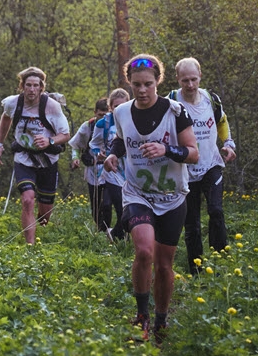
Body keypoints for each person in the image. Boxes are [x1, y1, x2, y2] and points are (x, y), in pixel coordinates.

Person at [103, 54, 198, 342]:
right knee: (144, 251)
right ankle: (141, 317)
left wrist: (166, 150)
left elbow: (193, 153)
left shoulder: (175, 111)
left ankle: (161, 319)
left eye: (147, 84)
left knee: (164, 263)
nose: (142, 91)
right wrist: (112, 154)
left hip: (172, 196)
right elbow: (121, 139)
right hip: (137, 193)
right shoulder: (120, 113)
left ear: (158, 81)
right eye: (136, 85)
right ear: (129, 84)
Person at [169, 57, 237, 275]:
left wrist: (228, 143)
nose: (190, 85)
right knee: (192, 223)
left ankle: (221, 261)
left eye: (194, 79)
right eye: (185, 80)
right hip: (185, 169)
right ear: (177, 79)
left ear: (200, 77)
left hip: (211, 164)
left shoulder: (211, 99)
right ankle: (196, 269)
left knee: (216, 210)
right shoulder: (171, 102)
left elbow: (222, 121)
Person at [0, 67, 71, 245]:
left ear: (41, 87)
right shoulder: (13, 103)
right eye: (28, 85)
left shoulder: (52, 106)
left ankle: (41, 231)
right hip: (23, 157)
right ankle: (30, 246)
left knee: (45, 213)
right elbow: (5, 118)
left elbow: (65, 135)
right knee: (28, 199)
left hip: (47, 160)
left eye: (35, 85)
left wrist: (49, 141)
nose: (31, 89)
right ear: (22, 86)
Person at [90, 88, 131, 242]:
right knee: (120, 208)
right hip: (113, 172)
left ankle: (115, 235)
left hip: (132, 170)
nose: (119, 109)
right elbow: (93, 144)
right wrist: (98, 153)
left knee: (130, 209)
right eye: (116, 106)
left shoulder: (135, 119)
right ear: (110, 107)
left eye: (123, 105)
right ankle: (121, 241)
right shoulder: (103, 123)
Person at [69, 98, 109, 232]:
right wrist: (75, 158)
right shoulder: (87, 126)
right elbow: (75, 145)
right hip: (93, 169)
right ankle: (101, 230)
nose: (103, 118)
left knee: (107, 203)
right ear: (95, 113)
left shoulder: (116, 125)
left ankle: (110, 231)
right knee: (96, 205)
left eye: (106, 115)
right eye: (100, 115)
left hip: (113, 170)